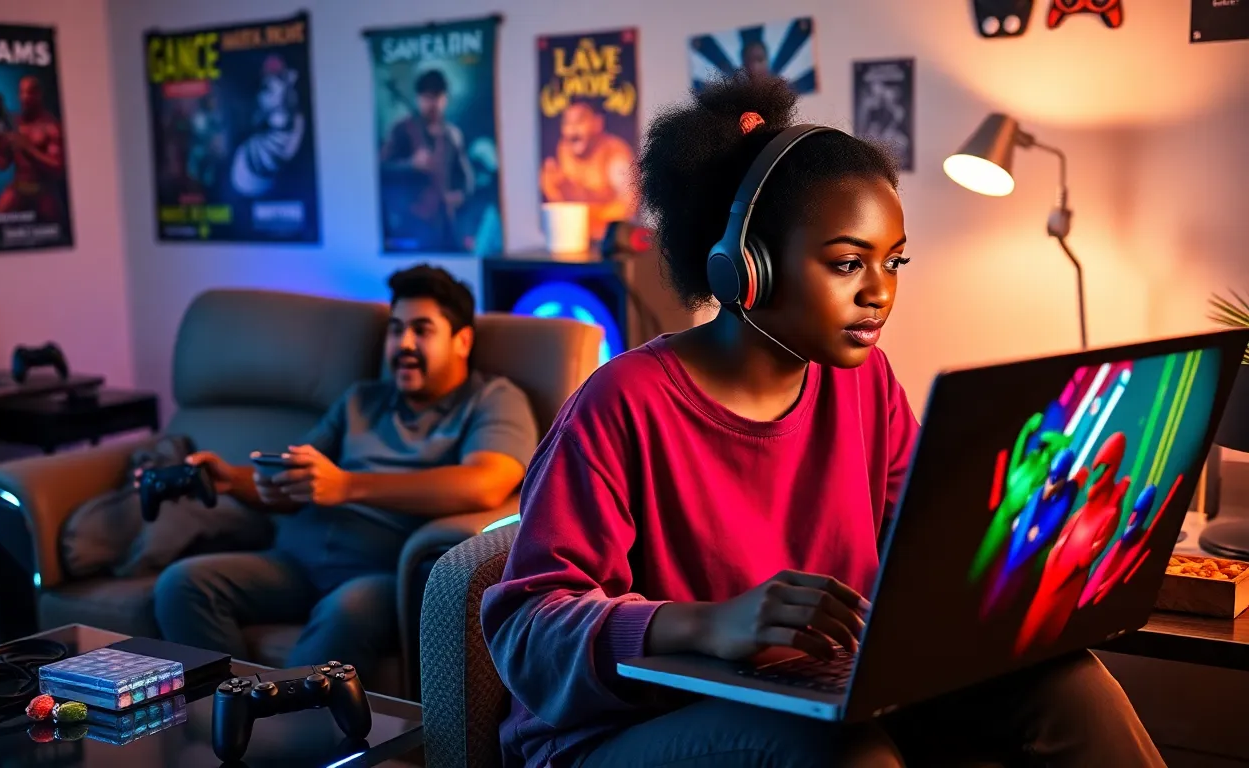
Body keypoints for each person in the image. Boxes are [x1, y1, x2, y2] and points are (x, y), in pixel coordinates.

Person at [480, 73, 1164, 768]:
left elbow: (922, 553)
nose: (880, 292)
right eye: (847, 262)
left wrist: (1027, 534)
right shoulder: (620, 402)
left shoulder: (865, 384)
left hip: (807, 694)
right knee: (842, 753)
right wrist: (712, 624)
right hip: (619, 736)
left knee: (1071, 687)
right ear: (744, 269)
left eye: (894, 262)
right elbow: (527, 632)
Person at [154, 265, 538, 673]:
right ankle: (226, 715)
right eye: (395, 329)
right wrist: (229, 479)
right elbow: (297, 473)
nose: (403, 344)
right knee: (182, 585)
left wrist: (348, 486)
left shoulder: (493, 399)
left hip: (380, 574)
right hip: (294, 563)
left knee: (347, 610)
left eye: (421, 330)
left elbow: (486, 483)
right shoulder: (361, 400)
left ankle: (292, 731)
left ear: (462, 341)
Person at [380, 69, 473, 251]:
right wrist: (411, 165)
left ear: (445, 99)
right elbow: (381, 168)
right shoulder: (402, 130)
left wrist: (459, 195)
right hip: (410, 222)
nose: (433, 104)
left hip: (445, 222)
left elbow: (466, 180)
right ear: (418, 98)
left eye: (438, 97)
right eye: (427, 97)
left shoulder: (452, 135)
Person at [540, 101, 637, 244]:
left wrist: (586, 216)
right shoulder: (563, 149)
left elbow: (628, 206)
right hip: (573, 242)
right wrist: (556, 187)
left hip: (611, 243)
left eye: (580, 121)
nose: (572, 128)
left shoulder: (615, 153)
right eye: (567, 123)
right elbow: (559, 199)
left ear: (598, 123)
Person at [0, 76, 65, 219]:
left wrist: (28, 148)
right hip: (18, 188)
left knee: (57, 227)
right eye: (22, 92)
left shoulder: (51, 126)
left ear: (39, 94)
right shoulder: (14, 122)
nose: (25, 97)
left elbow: (58, 167)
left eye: (30, 92)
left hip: (44, 191)